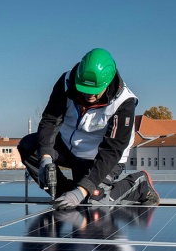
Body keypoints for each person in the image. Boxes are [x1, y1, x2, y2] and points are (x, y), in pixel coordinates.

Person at [17, 47, 159, 209]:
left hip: (102, 157)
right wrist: (46, 157)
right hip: (69, 148)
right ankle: (65, 194)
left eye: (95, 91)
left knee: (95, 202)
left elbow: (111, 151)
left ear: (107, 83)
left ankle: (139, 185)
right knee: (29, 147)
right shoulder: (66, 83)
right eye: (84, 89)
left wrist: (81, 191)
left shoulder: (124, 103)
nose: (88, 95)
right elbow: (50, 120)